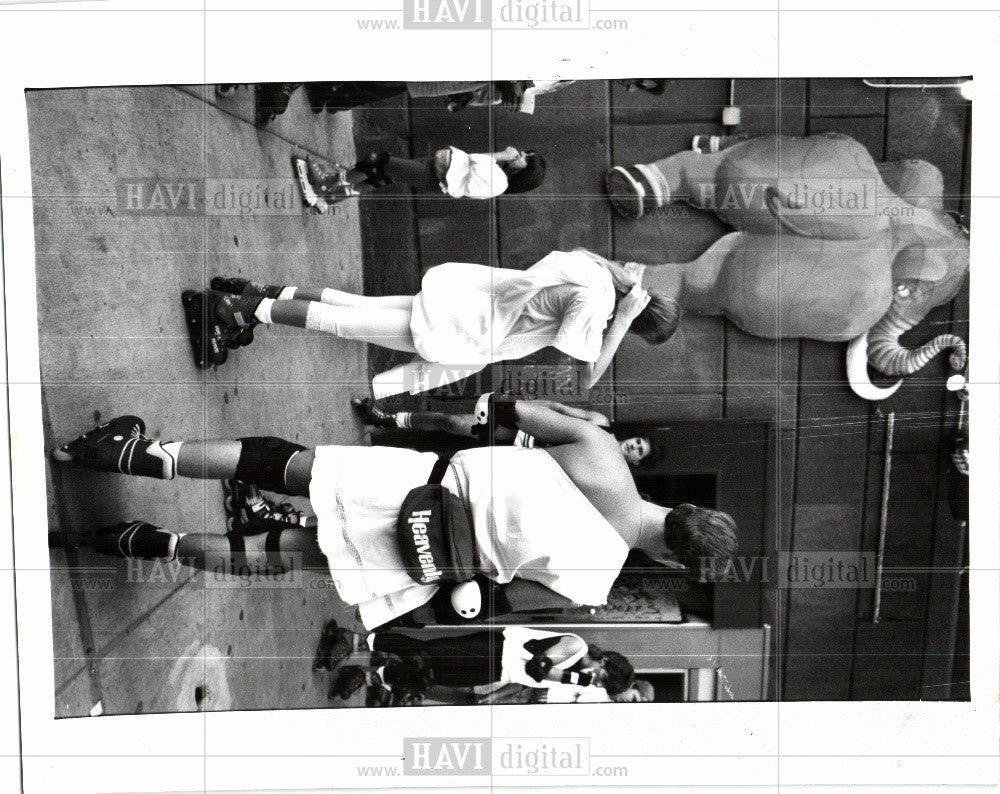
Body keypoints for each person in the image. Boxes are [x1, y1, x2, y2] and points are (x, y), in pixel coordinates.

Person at [49, 395, 738, 629]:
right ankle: (143, 542)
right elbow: (503, 596)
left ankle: (128, 453)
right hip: (425, 555)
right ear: (673, 558)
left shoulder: (604, 451)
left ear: (683, 504)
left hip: (419, 479)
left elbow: (502, 413)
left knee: (274, 462)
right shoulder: (594, 586)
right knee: (276, 556)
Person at [184, 249, 682, 396]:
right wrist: (618, 327)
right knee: (343, 322)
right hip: (462, 326)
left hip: (461, 297)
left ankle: (253, 294)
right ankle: (237, 311)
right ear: (637, 319)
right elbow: (581, 380)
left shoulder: (598, 269)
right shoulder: (599, 308)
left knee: (355, 307)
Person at [320, 622, 635, 705]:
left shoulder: (574, 674)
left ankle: (366, 675)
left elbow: (527, 680)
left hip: (496, 670)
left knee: (427, 677)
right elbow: (537, 667)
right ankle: (354, 640)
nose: (595, 681)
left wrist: (494, 695)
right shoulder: (577, 647)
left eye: (601, 684)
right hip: (494, 649)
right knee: (426, 654)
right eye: (602, 676)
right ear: (604, 660)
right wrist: (574, 680)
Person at [352, 397, 655, 465]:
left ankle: (373, 459)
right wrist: (530, 406)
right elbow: (560, 410)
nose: (635, 447)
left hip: (520, 463)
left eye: (639, 452)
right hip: (518, 432)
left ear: (637, 462)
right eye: (638, 442)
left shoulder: (609, 470)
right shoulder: (600, 422)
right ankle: (389, 419)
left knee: (444, 461)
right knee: (452, 422)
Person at [292, 145, 545, 213]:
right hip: (436, 170)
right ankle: (332, 196)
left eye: (525, 157)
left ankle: (326, 184)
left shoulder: (500, 182)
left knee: (378, 162)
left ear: (525, 172)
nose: (520, 153)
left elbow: (475, 160)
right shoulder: (499, 177)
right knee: (382, 176)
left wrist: (502, 154)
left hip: (435, 177)